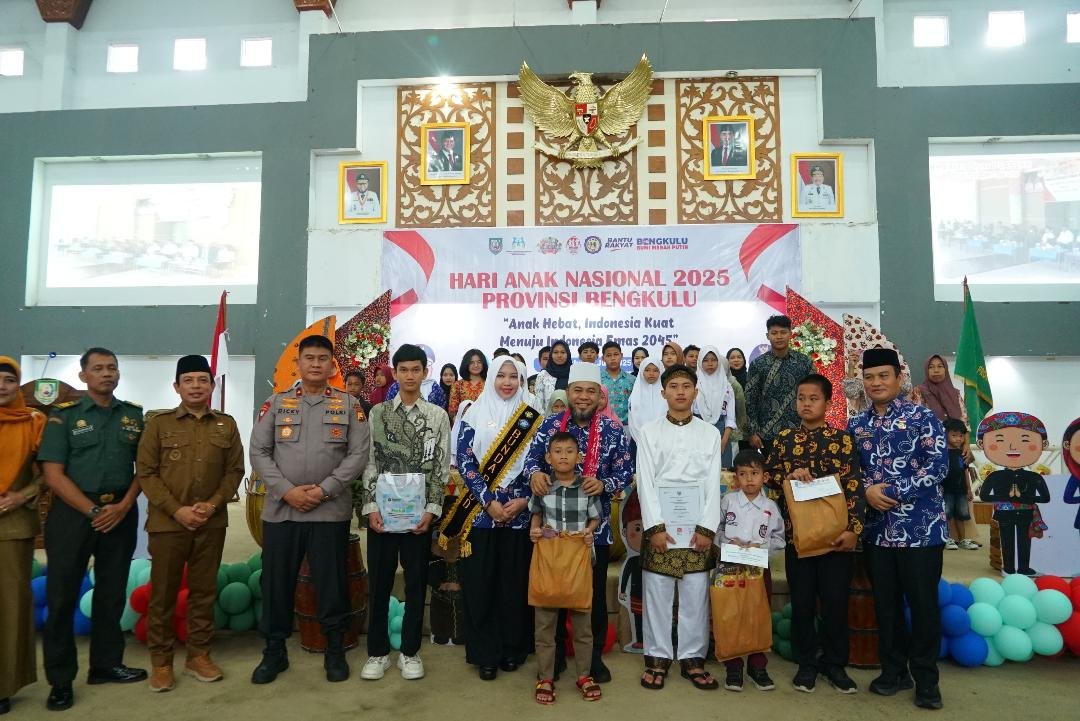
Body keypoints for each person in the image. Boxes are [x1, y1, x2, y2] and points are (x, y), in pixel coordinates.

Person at [249, 335, 370, 685]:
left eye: (322, 358)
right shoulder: (276, 403)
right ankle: (274, 652)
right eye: (309, 358)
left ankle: (335, 649)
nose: (316, 364)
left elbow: (358, 455)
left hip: (328, 512)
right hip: (282, 511)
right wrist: (287, 492)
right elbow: (258, 452)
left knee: (331, 584)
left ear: (332, 365)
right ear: (298, 363)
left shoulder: (349, 405)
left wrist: (324, 490)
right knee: (276, 584)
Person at [38, 348, 147, 711]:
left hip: (120, 511)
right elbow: (53, 474)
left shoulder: (133, 415)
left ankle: (105, 664)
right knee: (62, 595)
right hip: (74, 513)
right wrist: (94, 511)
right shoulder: (64, 415)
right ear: (84, 376)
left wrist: (125, 505)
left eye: (112, 368)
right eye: (98, 368)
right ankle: (60, 680)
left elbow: (145, 468)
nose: (106, 373)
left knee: (112, 592)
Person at [136, 355, 245, 692]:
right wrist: (177, 510)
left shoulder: (226, 425)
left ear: (211, 386)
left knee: (203, 591)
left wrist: (212, 504)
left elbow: (235, 471)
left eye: (202, 380)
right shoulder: (159, 424)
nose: (196, 386)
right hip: (168, 524)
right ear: (177, 386)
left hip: (211, 523)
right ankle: (161, 662)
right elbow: (146, 473)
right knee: (163, 593)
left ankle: (198, 654)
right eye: (189, 380)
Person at [847, 347, 947, 710]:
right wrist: (865, 491)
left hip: (921, 531)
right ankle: (893, 672)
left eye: (883, 376)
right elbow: (849, 470)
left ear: (898, 378)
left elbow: (938, 466)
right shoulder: (856, 425)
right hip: (877, 533)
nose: (876, 383)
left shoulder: (922, 417)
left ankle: (926, 681)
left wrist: (889, 491)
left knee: (923, 607)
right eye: (869, 377)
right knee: (885, 607)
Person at [524, 363, 633, 684]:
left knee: (592, 597)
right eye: (577, 390)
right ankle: (555, 656)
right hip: (552, 532)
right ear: (568, 393)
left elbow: (626, 471)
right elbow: (531, 460)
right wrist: (535, 473)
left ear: (600, 395)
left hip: (592, 534)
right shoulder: (550, 425)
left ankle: (593, 658)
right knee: (553, 596)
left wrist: (605, 484)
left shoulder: (613, 429)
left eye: (590, 391)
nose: (583, 397)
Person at [442, 358, 541, 681]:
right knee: (481, 584)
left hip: (519, 514)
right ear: (491, 379)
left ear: (522, 380)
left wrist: (525, 500)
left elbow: (541, 463)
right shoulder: (473, 413)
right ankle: (485, 653)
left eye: (514, 376)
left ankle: (513, 648)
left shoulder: (533, 416)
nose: (507, 382)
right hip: (481, 515)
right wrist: (488, 501)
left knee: (513, 584)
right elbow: (465, 461)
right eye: (501, 375)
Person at [766, 374, 864, 694]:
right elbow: (769, 476)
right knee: (802, 602)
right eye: (801, 398)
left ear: (828, 402)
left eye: (813, 398)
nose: (806, 404)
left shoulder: (843, 440)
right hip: (799, 538)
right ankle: (806, 664)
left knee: (835, 602)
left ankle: (835, 665)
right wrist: (789, 474)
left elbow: (854, 486)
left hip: (835, 538)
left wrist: (853, 530)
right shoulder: (783, 439)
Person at [358, 344, 449, 682]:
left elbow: (440, 468)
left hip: (417, 518)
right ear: (395, 373)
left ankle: (410, 652)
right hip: (383, 515)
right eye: (404, 370)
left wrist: (432, 510)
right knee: (379, 584)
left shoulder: (437, 416)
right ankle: (378, 652)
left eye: (416, 369)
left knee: (415, 584)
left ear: (425, 372)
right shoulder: (378, 414)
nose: (410, 376)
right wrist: (370, 507)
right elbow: (369, 463)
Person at [636, 365, 724, 692]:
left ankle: (692, 658)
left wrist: (707, 528)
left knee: (695, 596)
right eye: (673, 386)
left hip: (697, 527)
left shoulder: (709, 433)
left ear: (696, 392)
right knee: (657, 594)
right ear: (663, 393)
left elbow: (712, 482)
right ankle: (657, 658)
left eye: (687, 386)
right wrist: (655, 528)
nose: (680, 392)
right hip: (662, 526)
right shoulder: (649, 432)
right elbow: (645, 482)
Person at [529, 432, 602, 705]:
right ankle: (545, 677)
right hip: (548, 561)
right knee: (545, 625)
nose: (563, 456)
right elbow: (536, 515)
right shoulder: (543, 487)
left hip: (578, 561)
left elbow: (595, 519)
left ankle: (584, 675)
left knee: (583, 624)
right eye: (557, 452)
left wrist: (589, 531)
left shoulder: (587, 487)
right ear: (548, 457)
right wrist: (535, 530)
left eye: (569, 451)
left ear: (578, 457)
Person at [0, 357, 46, 715]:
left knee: (10, 606)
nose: (2, 386)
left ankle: (4, 684)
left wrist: (22, 495)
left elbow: (49, 473)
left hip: (12, 524)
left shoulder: (33, 422)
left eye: (9, 380)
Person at [717, 450, 785, 692]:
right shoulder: (728, 501)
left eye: (754, 473)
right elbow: (716, 530)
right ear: (735, 477)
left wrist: (761, 547)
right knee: (731, 614)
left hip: (758, 569)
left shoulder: (770, 507)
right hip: (730, 568)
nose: (749, 479)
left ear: (764, 477)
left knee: (758, 615)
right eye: (743, 474)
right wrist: (728, 542)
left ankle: (757, 667)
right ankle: (733, 667)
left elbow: (780, 539)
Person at [977, 412, 1051, 576]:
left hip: (1025, 513)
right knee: (1007, 540)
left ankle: (1024, 568)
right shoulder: (994, 476)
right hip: (1005, 514)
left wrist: (1022, 498)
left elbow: (1046, 498)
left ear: (1043, 444)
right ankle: (1008, 568)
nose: (1012, 447)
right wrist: (1008, 497)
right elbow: (984, 496)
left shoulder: (1034, 477)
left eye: (1025, 440)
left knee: (1025, 541)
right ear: (982, 444)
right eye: (1000, 440)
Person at [745, 315, 813, 457]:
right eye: (774, 333)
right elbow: (750, 399)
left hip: (799, 429)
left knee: (799, 470)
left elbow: (814, 394)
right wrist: (753, 432)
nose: (779, 337)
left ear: (790, 334)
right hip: (767, 432)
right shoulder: (758, 364)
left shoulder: (804, 362)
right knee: (772, 470)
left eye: (783, 332)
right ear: (768, 336)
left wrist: (813, 425)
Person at [694, 347, 737, 467]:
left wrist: (724, 442)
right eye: (705, 360)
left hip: (721, 432)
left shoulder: (727, 387)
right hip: (697, 431)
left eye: (713, 359)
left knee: (721, 471)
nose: (710, 363)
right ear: (700, 362)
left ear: (719, 361)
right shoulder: (693, 385)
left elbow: (730, 418)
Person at [942, 419, 978, 551]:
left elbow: (965, 472)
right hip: (946, 489)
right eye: (954, 435)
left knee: (961, 514)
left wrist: (969, 489)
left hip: (961, 490)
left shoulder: (962, 453)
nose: (958, 439)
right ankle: (948, 538)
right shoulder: (941, 453)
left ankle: (963, 539)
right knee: (947, 514)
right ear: (945, 434)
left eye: (961, 436)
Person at [627, 355, 665, 444]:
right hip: (639, 441)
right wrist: (641, 442)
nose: (651, 373)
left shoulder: (666, 394)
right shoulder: (635, 396)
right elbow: (633, 422)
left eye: (655, 370)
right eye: (647, 370)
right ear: (641, 372)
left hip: (663, 441)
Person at [599, 341, 634, 425]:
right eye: (608, 355)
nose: (613, 358)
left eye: (616, 354)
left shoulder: (632, 380)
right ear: (603, 358)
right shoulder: (597, 380)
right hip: (602, 425)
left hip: (627, 426)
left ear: (621, 356)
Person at [533, 340, 572, 415]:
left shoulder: (573, 373)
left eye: (563, 352)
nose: (559, 355)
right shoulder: (543, 375)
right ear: (551, 355)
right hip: (548, 419)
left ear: (568, 354)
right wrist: (546, 420)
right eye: (556, 352)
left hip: (570, 419)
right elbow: (539, 403)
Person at [448, 349, 487, 418]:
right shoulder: (457, 385)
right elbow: (452, 412)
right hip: (463, 422)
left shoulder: (490, 384)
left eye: (479, 362)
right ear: (466, 364)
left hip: (486, 422)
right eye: (472, 362)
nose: (476, 365)